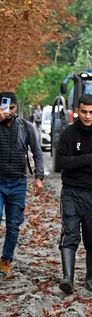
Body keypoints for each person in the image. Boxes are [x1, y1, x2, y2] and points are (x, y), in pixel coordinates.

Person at [55, 94, 92, 294]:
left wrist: (78, 164)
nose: (87, 116)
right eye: (84, 112)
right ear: (77, 111)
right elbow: (61, 163)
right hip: (71, 191)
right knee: (69, 233)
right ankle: (68, 278)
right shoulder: (68, 134)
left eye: (91, 112)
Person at [0, 93, 44, 276]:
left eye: (12, 107)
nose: (8, 111)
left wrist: (39, 177)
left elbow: (37, 152)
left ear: (16, 107)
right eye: (4, 107)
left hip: (18, 182)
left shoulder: (26, 127)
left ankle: (6, 260)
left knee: (13, 225)